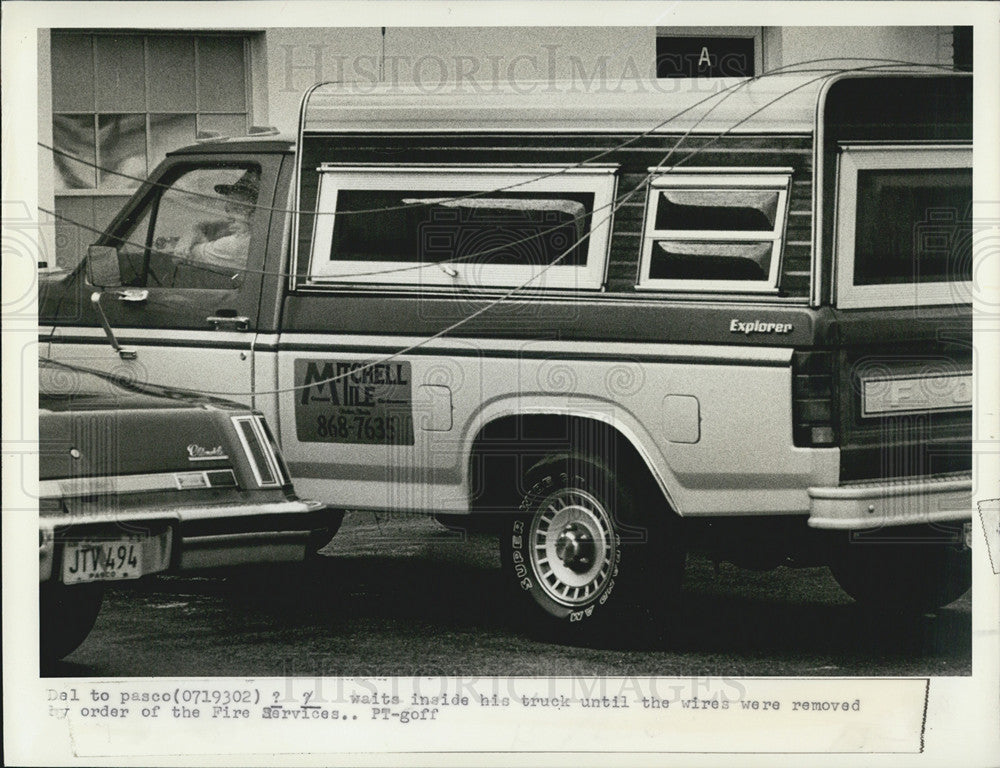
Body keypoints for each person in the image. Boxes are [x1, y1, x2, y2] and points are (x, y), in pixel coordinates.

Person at [173, 170, 259, 271]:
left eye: (237, 209)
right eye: (228, 209)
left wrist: (187, 240)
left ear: (255, 213)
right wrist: (192, 232)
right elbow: (209, 225)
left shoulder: (237, 245)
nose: (229, 216)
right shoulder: (261, 234)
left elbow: (179, 258)